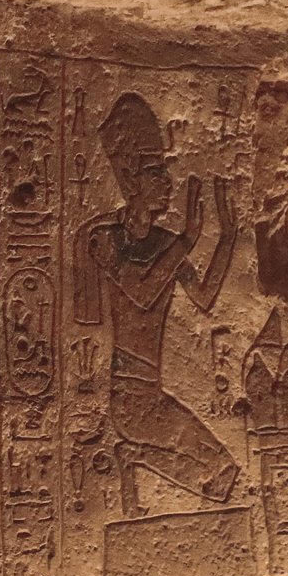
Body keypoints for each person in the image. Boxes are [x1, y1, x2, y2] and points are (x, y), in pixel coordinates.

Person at [75, 92, 240, 509]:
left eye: (167, 174)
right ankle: (134, 457)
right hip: (129, 399)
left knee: (224, 474)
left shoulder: (168, 244)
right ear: (131, 179)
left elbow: (203, 298)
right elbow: (142, 292)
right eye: (156, 174)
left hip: (153, 394)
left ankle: (134, 459)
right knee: (218, 473)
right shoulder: (105, 240)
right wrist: (188, 239)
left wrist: (228, 238)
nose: (167, 184)